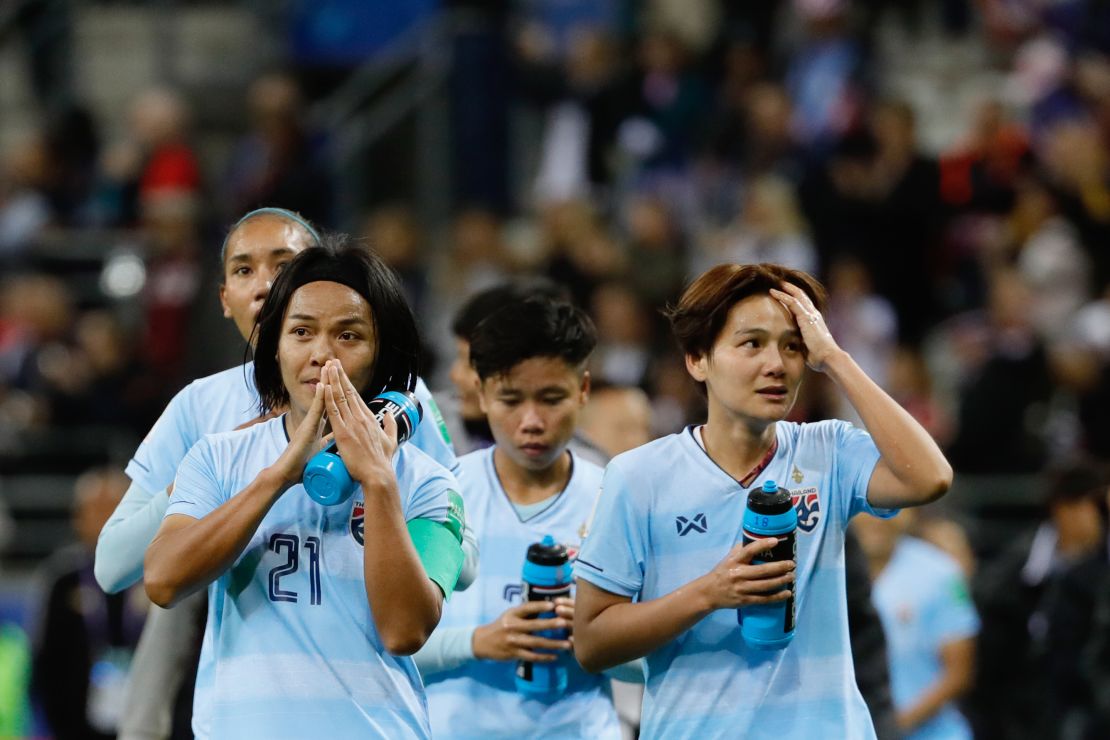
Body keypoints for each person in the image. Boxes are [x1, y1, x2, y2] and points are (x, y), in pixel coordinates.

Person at [93, 207, 471, 739]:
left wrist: (380, 482)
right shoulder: (216, 453)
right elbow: (160, 580)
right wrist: (276, 477)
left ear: (381, 351)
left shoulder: (426, 477)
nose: (322, 355)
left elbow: (406, 629)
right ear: (275, 344)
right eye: (302, 332)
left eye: (348, 336)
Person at [574, 262, 954, 738]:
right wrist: (711, 593)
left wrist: (835, 357)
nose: (776, 364)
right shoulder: (638, 476)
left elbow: (931, 478)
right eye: (751, 343)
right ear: (697, 359)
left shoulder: (829, 452)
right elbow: (591, 642)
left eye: (793, 346)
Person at [417, 296, 631, 738]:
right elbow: (390, 644)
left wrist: (597, 638)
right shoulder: (442, 494)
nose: (531, 421)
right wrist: (478, 642)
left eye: (552, 399)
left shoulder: (617, 498)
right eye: (510, 399)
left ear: (583, 390)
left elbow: (656, 663)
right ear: (480, 392)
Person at [31, 467, 147, 739]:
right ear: (78, 518)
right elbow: (45, 659)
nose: (104, 519)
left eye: (113, 508)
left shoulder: (153, 571)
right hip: (76, 724)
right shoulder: (62, 580)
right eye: (95, 509)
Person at [853, 509, 978, 739]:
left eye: (892, 505)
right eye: (867, 505)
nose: (876, 516)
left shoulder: (942, 572)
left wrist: (891, 726)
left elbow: (959, 672)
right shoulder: (828, 572)